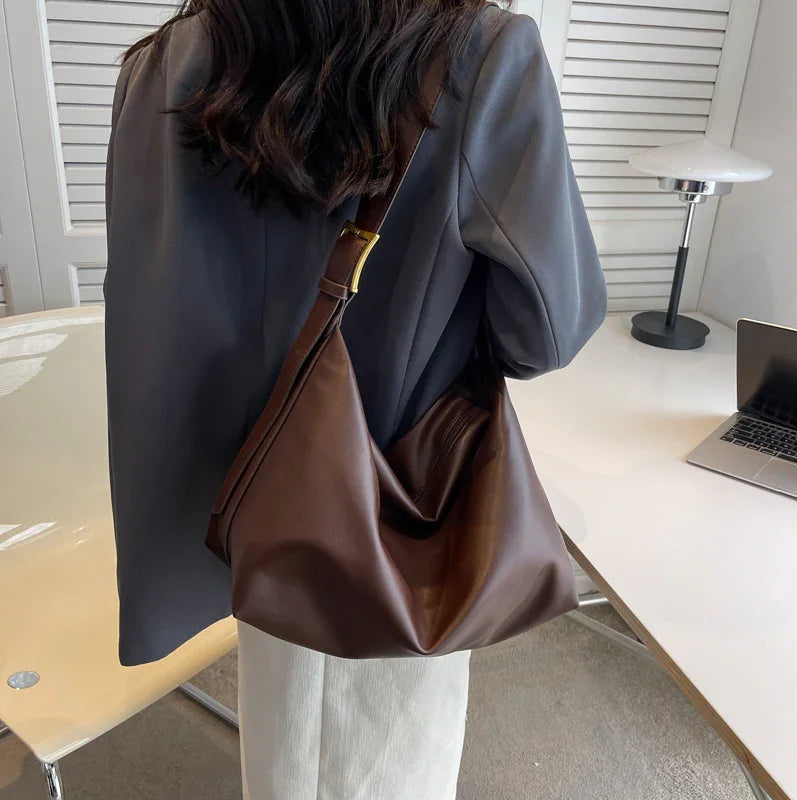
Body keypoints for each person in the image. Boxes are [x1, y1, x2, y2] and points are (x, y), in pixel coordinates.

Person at [104, 0, 607, 797]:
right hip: (387, 500)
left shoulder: (162, 63)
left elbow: (147, 293)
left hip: (228, 499)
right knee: (375, 755)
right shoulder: (479, 51)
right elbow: (547, 328)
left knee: (286, 737)